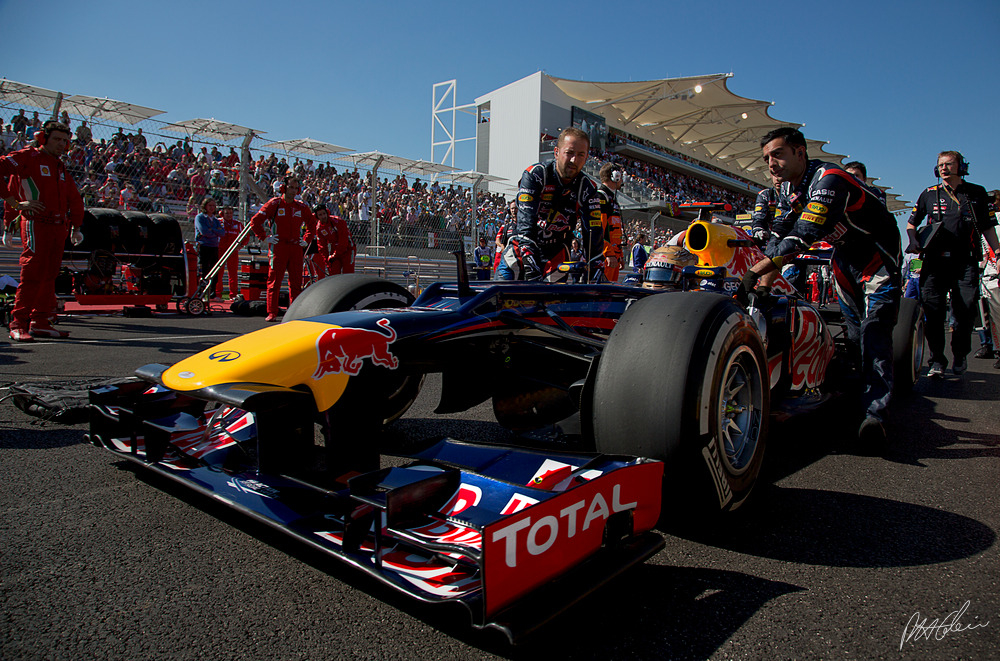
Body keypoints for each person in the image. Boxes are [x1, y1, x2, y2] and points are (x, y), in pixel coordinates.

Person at [739, 127, 901, 446]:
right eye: (766, 158)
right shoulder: (791, 191)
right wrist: (763, 282)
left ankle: (875, 416)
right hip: (843, 259)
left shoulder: (830, 178)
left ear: (800, 152)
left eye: (778, 154)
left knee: (874, 333)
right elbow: (781, 232)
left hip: (876, 257)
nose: (771, 163)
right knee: (854, 337)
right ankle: (854, 394)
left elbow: (805, 230)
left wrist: (762, 268)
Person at [905, 151, 999, 377]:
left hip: (965, 261)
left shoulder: (977, 193)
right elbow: (911, 223)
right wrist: (913, 240)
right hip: (934, 262)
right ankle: (937, 359)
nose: (944, 169)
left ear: (961, 167)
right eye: (940, 165)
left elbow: (987, 227)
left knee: (965, 311)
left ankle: (959, 354)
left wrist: (997, 252)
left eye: (949, 164)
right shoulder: (929, 194)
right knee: (934, 312)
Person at [0, 121, 84, 341]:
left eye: (65, 141)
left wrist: (76, 226)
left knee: (50, 275)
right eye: (57, 139)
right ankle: (18, 323)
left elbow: (74, 198)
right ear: (43, 138)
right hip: (36, 223)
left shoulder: (60, 166)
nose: (62, 144)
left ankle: (41, 321)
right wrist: (15, 205)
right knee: (32, 273)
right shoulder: (28, 157)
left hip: (59, 227)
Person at [504, 127, 602, 281]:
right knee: (500, 297)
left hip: (556, 255)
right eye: (569, 153)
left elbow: (594, 233)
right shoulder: (536, 174)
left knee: (552, 303)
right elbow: (525, 221)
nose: (574, 160)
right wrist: (529, 257)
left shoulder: (588, 188)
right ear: (556, 152)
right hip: (523, 247)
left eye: (580, 155)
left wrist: (595, 265)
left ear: (586, 157)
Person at [250, 176, 316, 322]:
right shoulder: (275, 204)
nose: (293, 191)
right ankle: (272, 312)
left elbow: (312, 224)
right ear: (283, 188)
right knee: (274, 281)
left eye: (295, 188)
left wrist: (306, 240)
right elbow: (255, 222)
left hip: (295, 248)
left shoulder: (302, 207)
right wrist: (264, 237)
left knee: (296, 283)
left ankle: (294, 313)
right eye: (290, 187)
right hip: (278, 247)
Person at [597, 163, 625, 282]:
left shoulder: (611, 198)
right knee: (603, 294)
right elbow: (599, 228)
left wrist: (620, 255)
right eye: (621, 176)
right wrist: (608, 253)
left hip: (614, 255)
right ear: (615, 176)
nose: (622, 180)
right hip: (607, 256)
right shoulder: (601, 196)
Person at [194, 197, 224, 297]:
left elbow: (222, 232)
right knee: (203, 269)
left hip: (214, 246)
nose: (212, 208)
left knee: (214, 269)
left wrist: (212, 230)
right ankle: (200, 292)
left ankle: (212, 292)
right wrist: (214, 232)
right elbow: (204, 231)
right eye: (210, 205)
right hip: (203, 246)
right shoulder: (200, 217)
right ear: (205, 206)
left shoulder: (215, 220)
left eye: (214, 206)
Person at [215, 205, 243, 299]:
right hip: (220, 250)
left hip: (232, 251)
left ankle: (233, 295)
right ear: (222, 213)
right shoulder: (218, 222)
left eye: (230, 213)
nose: (229, 215)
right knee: (219, 273)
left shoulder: (237, 224)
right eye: (227, 213)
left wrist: (241, 245)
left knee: (233, 274)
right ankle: (217, 294)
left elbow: (245, 236)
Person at [494, 198, 516, 280]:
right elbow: (500, 242)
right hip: (509, 261)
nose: (514, 211)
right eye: (512, 209)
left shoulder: (525, 225)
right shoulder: (506, 227)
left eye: (516, 208)